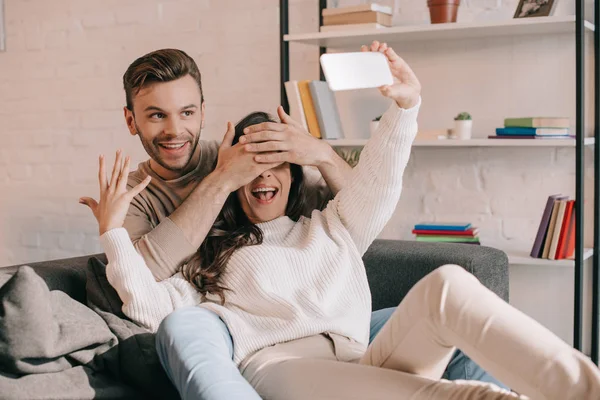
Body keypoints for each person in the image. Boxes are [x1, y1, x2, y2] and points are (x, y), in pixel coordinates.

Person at [81, 43, 600, 400]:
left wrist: (405, 107)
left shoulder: (326, 225)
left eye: (276, 161)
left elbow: (377, 187)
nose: (262, 173)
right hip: (281, 367)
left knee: (447, 285)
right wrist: (112, 230)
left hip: (359, 353)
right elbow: (148, 300)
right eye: (248, 166)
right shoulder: (205, 260)